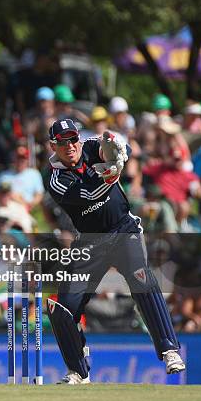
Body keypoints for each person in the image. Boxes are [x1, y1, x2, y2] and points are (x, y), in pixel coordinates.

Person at [45, 118, 185, 384]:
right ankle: (78, 371)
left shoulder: (87, 147)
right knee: (63, 307)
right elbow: (88, 194)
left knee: (141, 278)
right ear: (54, 145)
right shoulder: (55, 179)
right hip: (90, 241)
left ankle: (169, 350)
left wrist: (117, 148)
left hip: (123, 229)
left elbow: (119, 149)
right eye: (62, 142)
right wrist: (113, 172)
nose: (70, 146)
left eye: (73, 139)